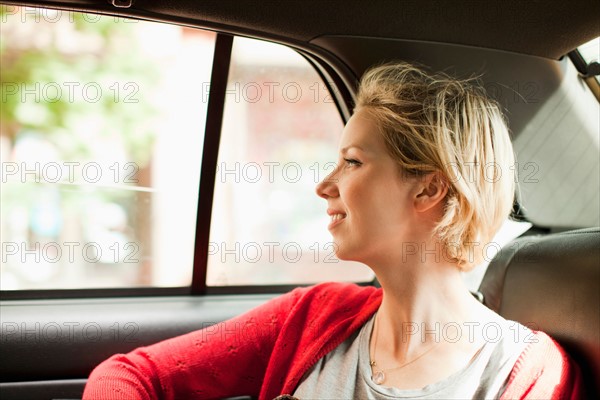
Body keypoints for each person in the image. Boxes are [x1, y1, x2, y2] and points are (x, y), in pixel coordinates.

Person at [83, 62, 582, 399]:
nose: (324, 186)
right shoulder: (312, 316)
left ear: (428, 189)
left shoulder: (528, 375)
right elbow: (129, 374)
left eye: (351, 162)